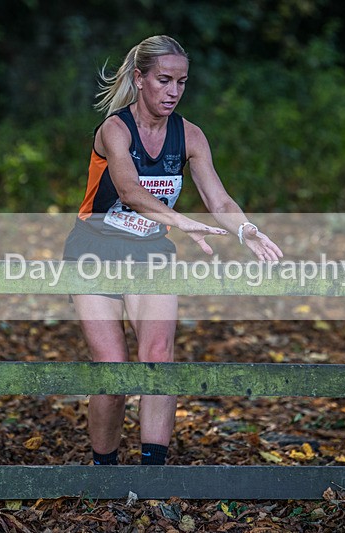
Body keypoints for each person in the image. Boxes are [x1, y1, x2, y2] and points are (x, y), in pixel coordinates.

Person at [63, 35, 283, 466]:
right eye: (164, 80)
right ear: (139, 79)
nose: (173, 91)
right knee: (112, 369)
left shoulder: (191, 136)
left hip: (150, 251)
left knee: (159, 355)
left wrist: (246, 230)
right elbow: (127, 189)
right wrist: (179, 220)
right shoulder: (114, 129)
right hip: (95, 249)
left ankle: (153, 476)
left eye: (181, 82)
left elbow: (219, 202)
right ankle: (104, 470)